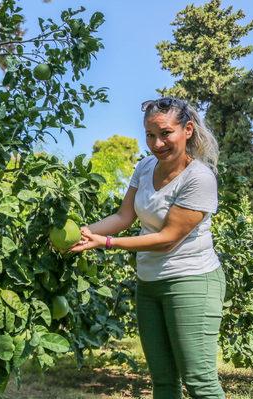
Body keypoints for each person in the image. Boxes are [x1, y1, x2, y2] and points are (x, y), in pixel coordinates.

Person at [70, 97, 226, 399]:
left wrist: (106, 242)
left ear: (188, 129)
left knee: (199, 383)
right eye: (150, 135)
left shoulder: (199, 178)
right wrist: (83, 233)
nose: (157, 143)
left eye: (165, 133)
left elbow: (168, 238)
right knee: (163, 382)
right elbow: (123, 216)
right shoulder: (144, 167)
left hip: (191, 280)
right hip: (149, 283)